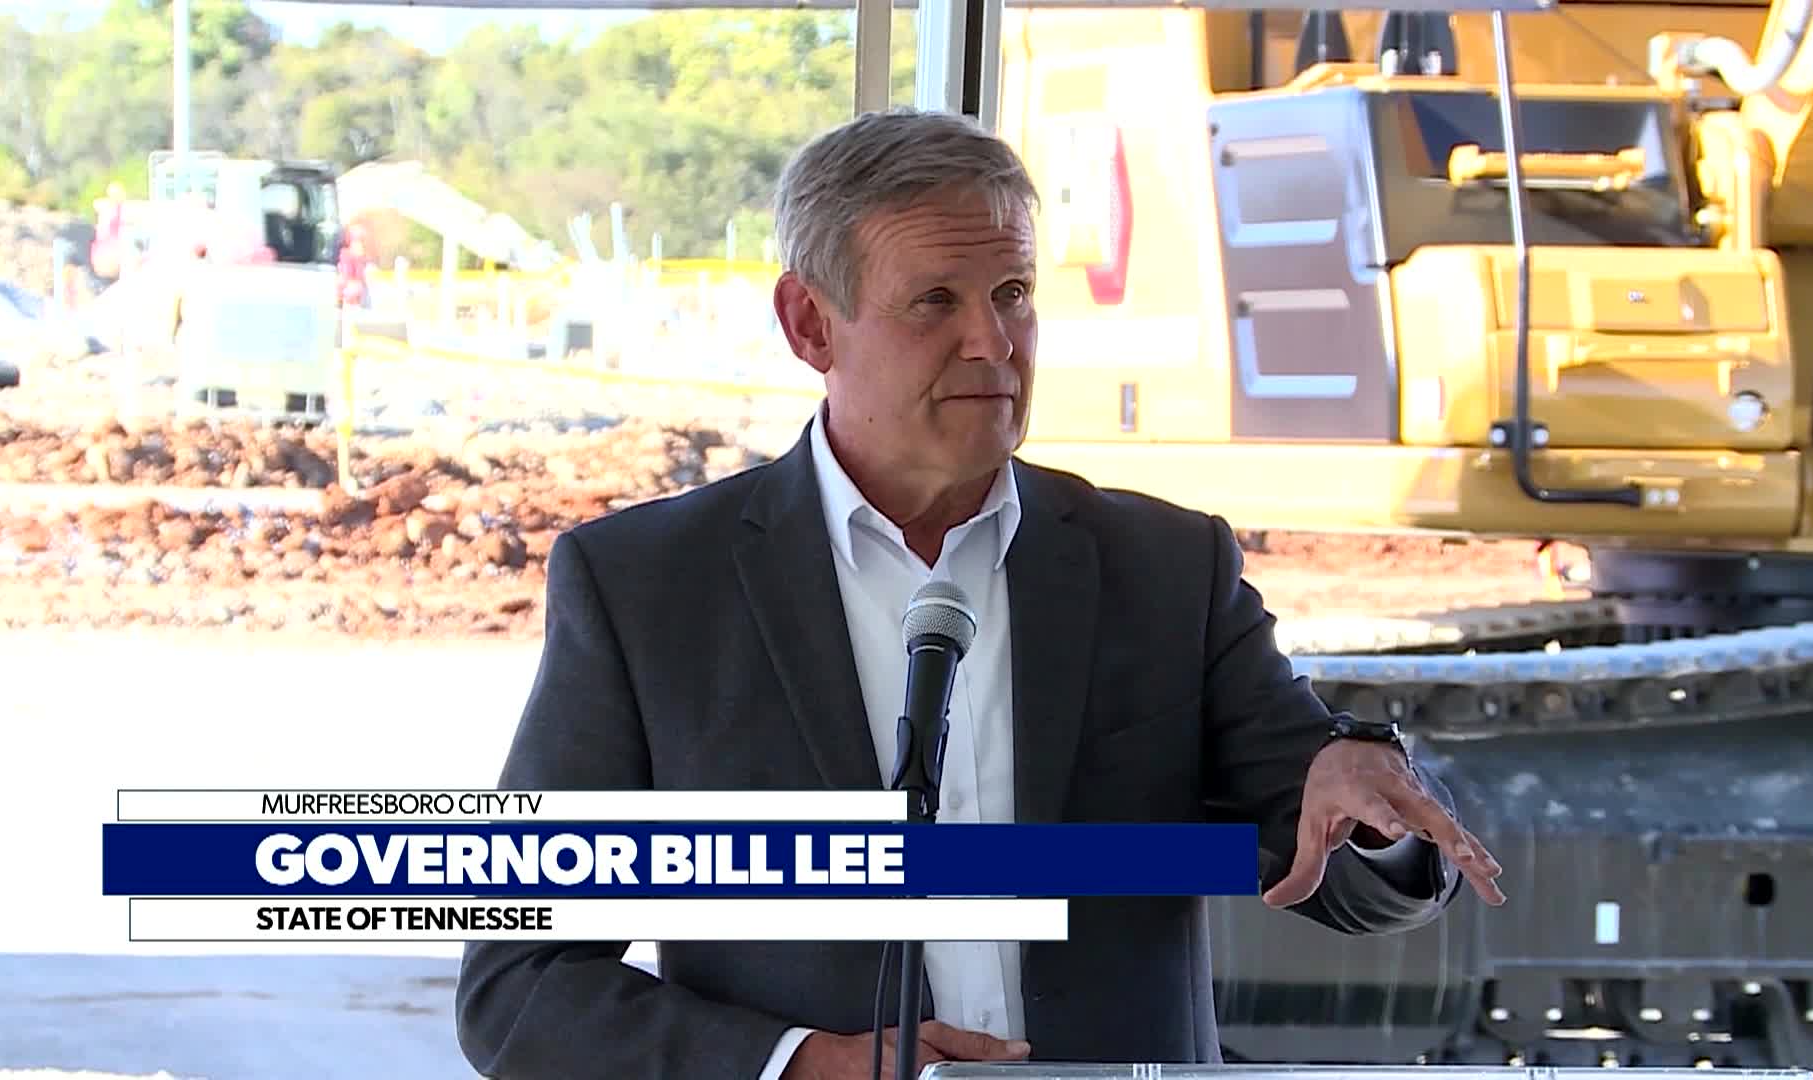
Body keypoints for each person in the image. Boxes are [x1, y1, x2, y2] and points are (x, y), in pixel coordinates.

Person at [454, 107, 1506, 1080]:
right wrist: (795, 1062)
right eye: (936, 303)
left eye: (1012, 295)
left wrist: (1376, 815)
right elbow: (518, 988)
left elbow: (1347, 867)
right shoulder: (646, 591)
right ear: (810, 325)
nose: (992, 343)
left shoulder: (1164, 570)